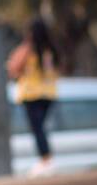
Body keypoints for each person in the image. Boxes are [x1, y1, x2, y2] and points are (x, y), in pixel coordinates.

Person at [7, 19, 59, 175]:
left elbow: (13, 67)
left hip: (31, 93)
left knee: (37, 129)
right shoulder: (50, 49)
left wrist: (16, 73)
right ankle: (46, 159)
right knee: (40, 128)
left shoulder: (28, 49)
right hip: (49, 93)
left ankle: (46, 160)